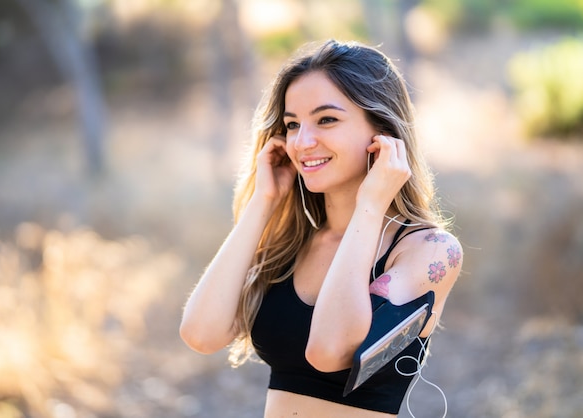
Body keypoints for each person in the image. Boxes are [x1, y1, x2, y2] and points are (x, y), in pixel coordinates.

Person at [180, 39, 463, 417]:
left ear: (382, 130)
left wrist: (370, 205)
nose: (302, 142)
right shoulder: (294, 243)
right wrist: (262, 202)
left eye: (326, 119)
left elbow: (330, 350)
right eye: (292, 124)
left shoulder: (429, 251)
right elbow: (201, 334)